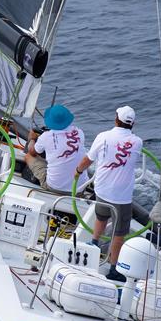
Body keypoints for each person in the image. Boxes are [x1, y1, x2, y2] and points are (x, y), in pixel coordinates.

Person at [74, 105, 143, 282]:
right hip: (122, 196)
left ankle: (94, 243)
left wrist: (78, 172)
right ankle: (113, 268)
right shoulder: (138, 142)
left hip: (102, 189)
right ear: (132, 124)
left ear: (116, 119)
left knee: (101, 216)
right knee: (119, 233)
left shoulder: (103, 137)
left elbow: (88, 159)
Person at [26, 104, 89, 194]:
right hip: (79, 189)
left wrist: (32, 138)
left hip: (54, 187)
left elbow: (32, 152)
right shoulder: (79, 132)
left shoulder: (45, 136)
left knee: (28, 156)